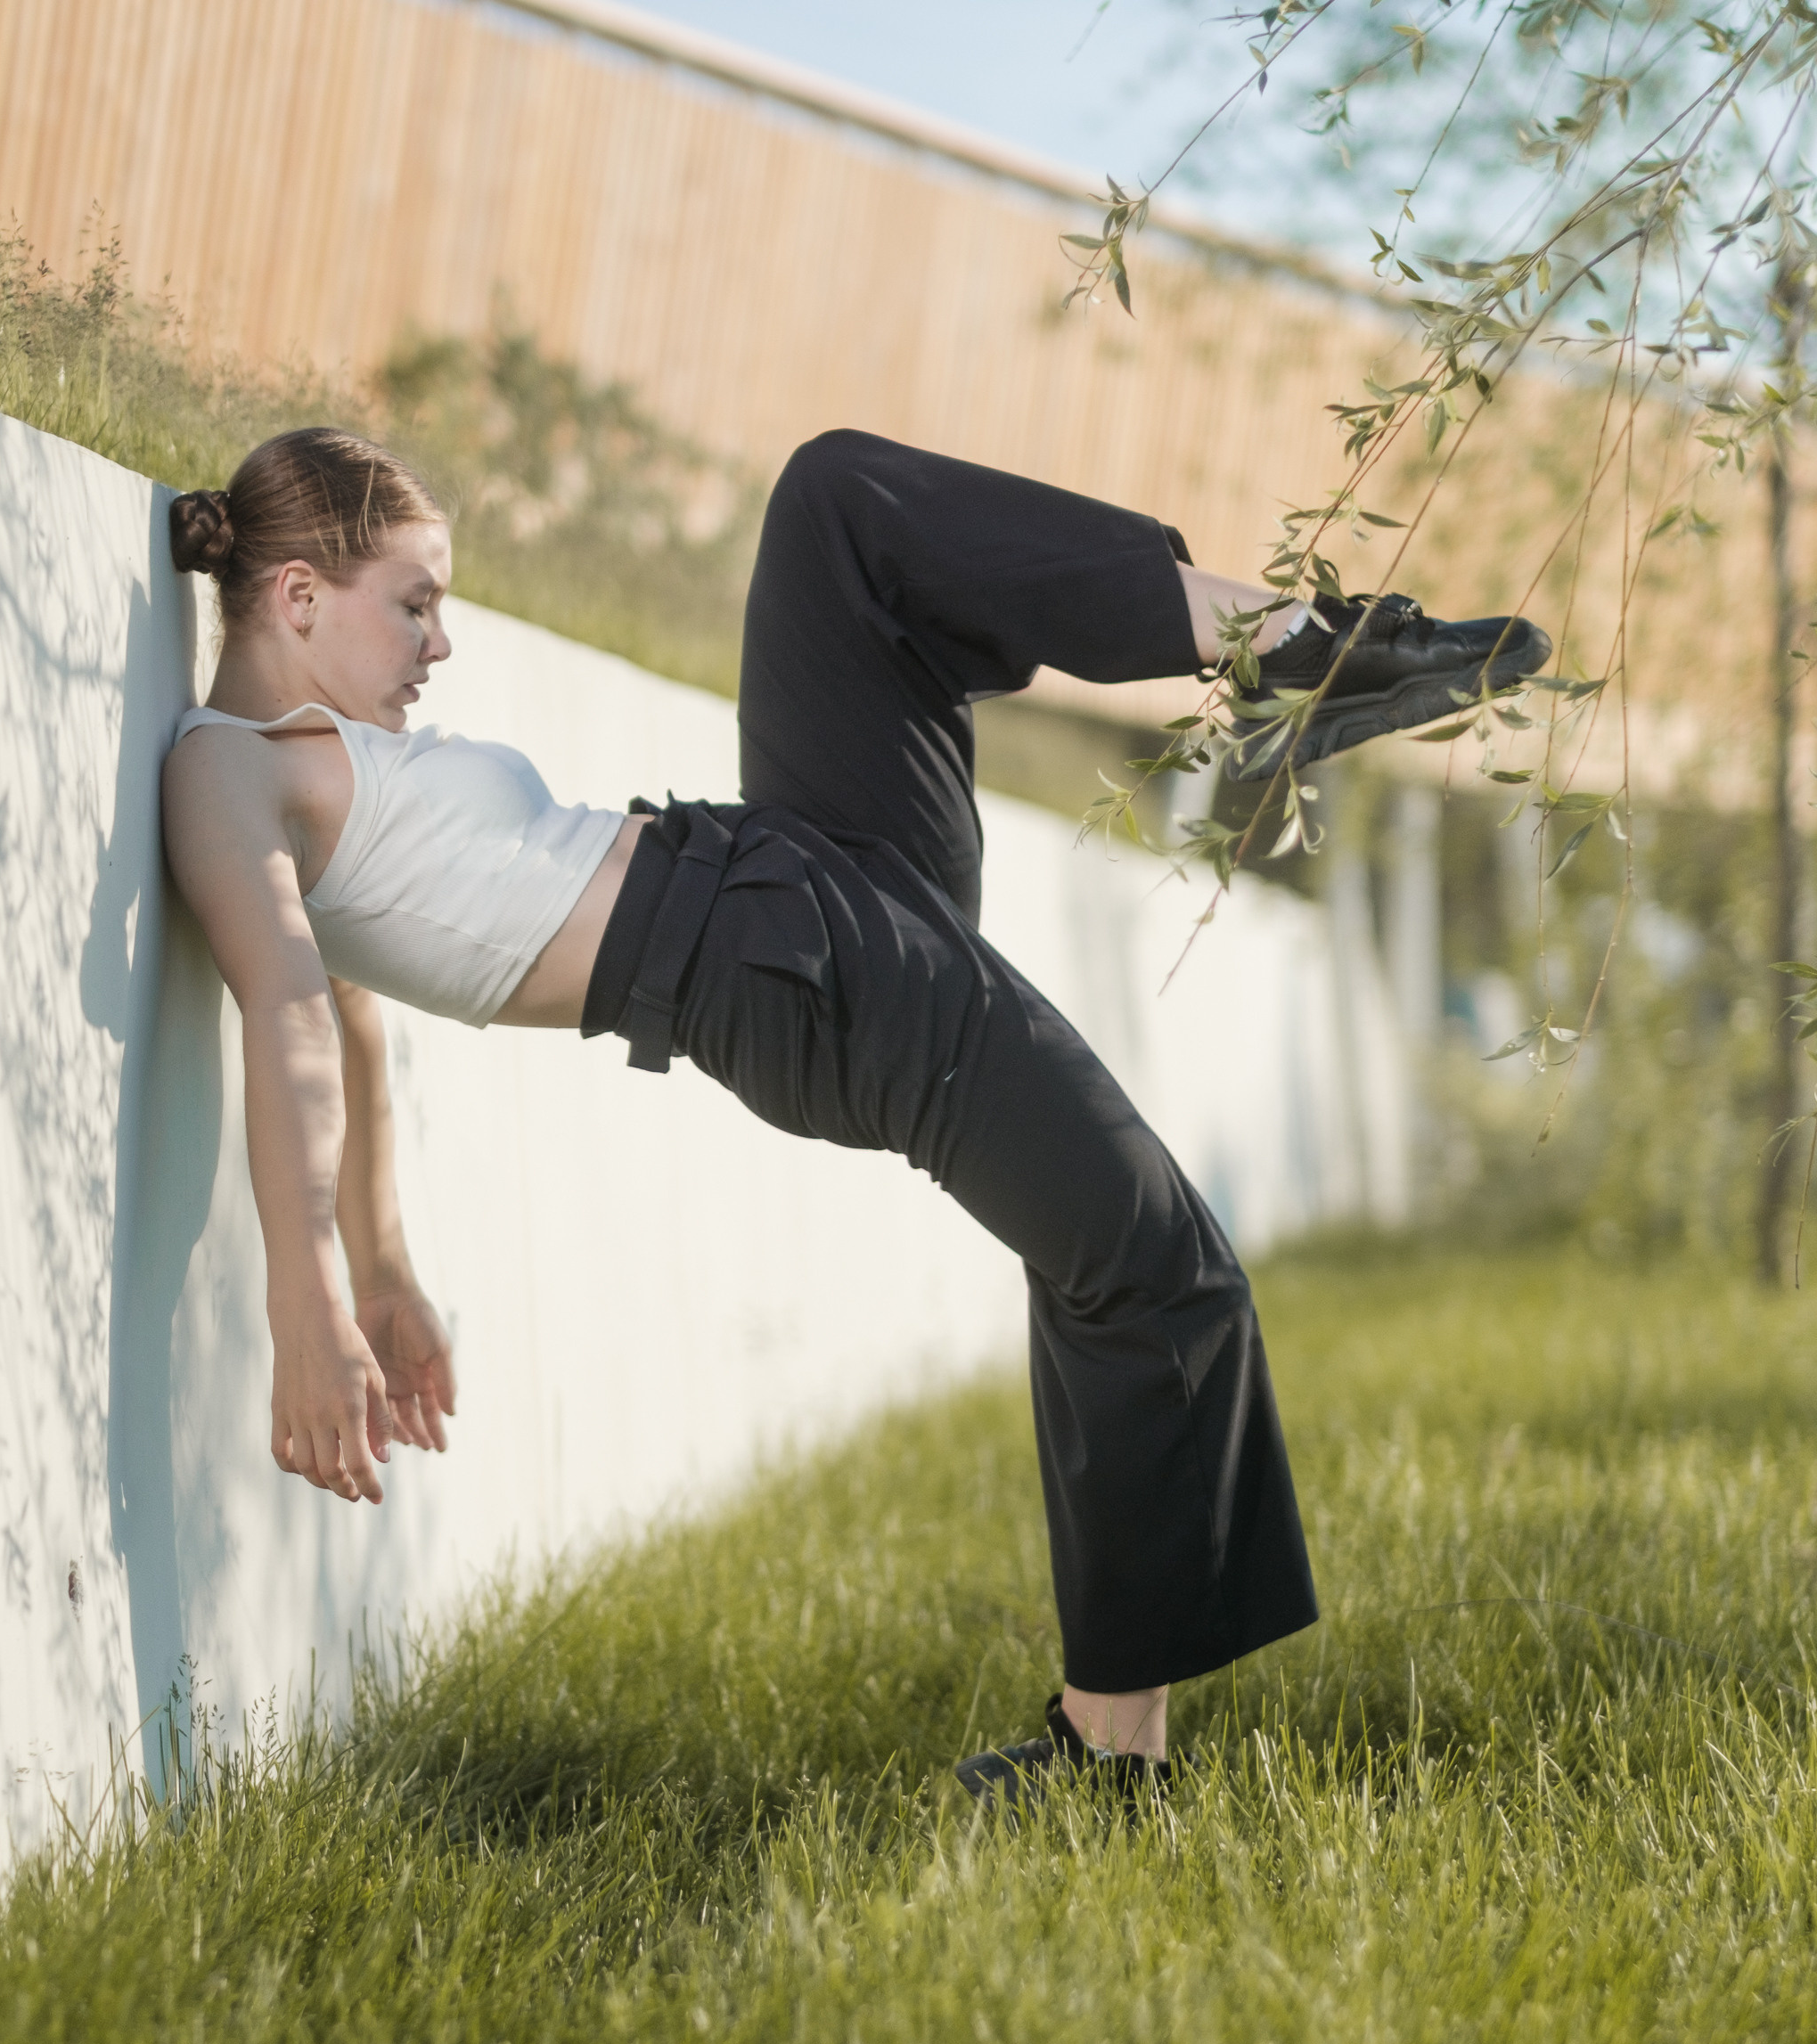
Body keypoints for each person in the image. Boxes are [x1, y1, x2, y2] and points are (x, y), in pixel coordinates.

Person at [160, 425, 1548, 1803]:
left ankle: (1295, 645)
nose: (438, 644)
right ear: (295, 598)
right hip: (792, 971)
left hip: (786, 864)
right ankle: (1108, 1759)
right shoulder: (231, 771)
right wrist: (314, 1295)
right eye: (414, 604)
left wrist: (388, 1263)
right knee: (1149, 1259)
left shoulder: (322, 751)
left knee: (839, 500)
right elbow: (287, 1006)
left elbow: (347, 1013)